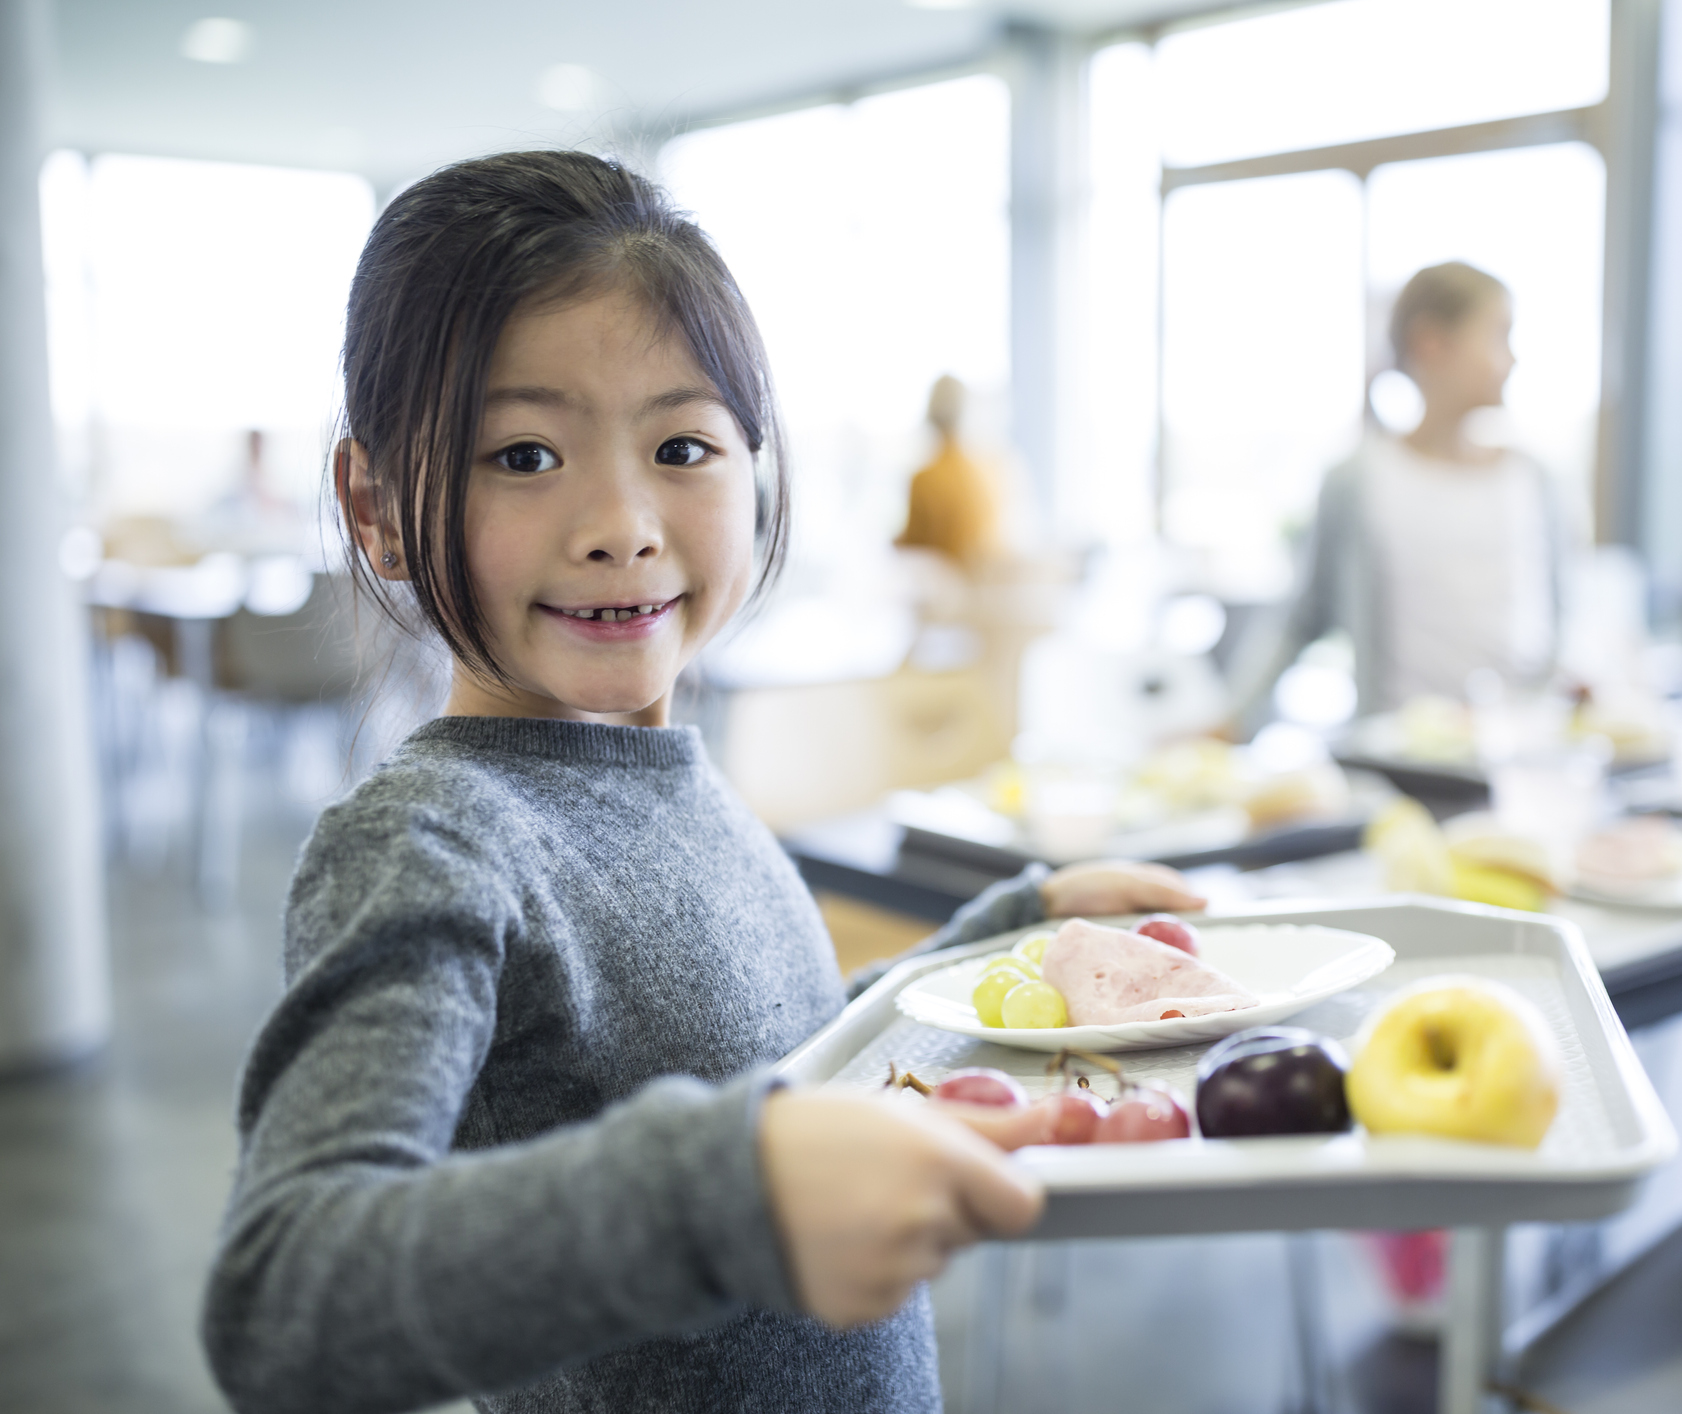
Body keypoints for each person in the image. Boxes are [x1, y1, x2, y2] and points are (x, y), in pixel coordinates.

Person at [200, 151, 1203, 1414]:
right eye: (522, 455)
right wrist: (726, 1192)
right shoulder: (432, 840)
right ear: (380, 505)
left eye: (681, 443)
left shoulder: (665, 770)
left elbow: (769, 1064)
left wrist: (992, 955)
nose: (621, 521)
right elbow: (288, 1302)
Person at [1232, 261, 1567, 732]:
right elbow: (1302, 620)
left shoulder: (1532, 480)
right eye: (1498, 336)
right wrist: (1234, 720)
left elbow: (1557, 627)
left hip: (1519, 750)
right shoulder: (1359, 479)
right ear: (1431, 342)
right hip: (1398, 758)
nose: (1512, 359)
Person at [896, 373, 1005, 567]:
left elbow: (914, 542)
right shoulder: (988, 472)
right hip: (983, 584)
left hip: (945, 587)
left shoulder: (924, 479)